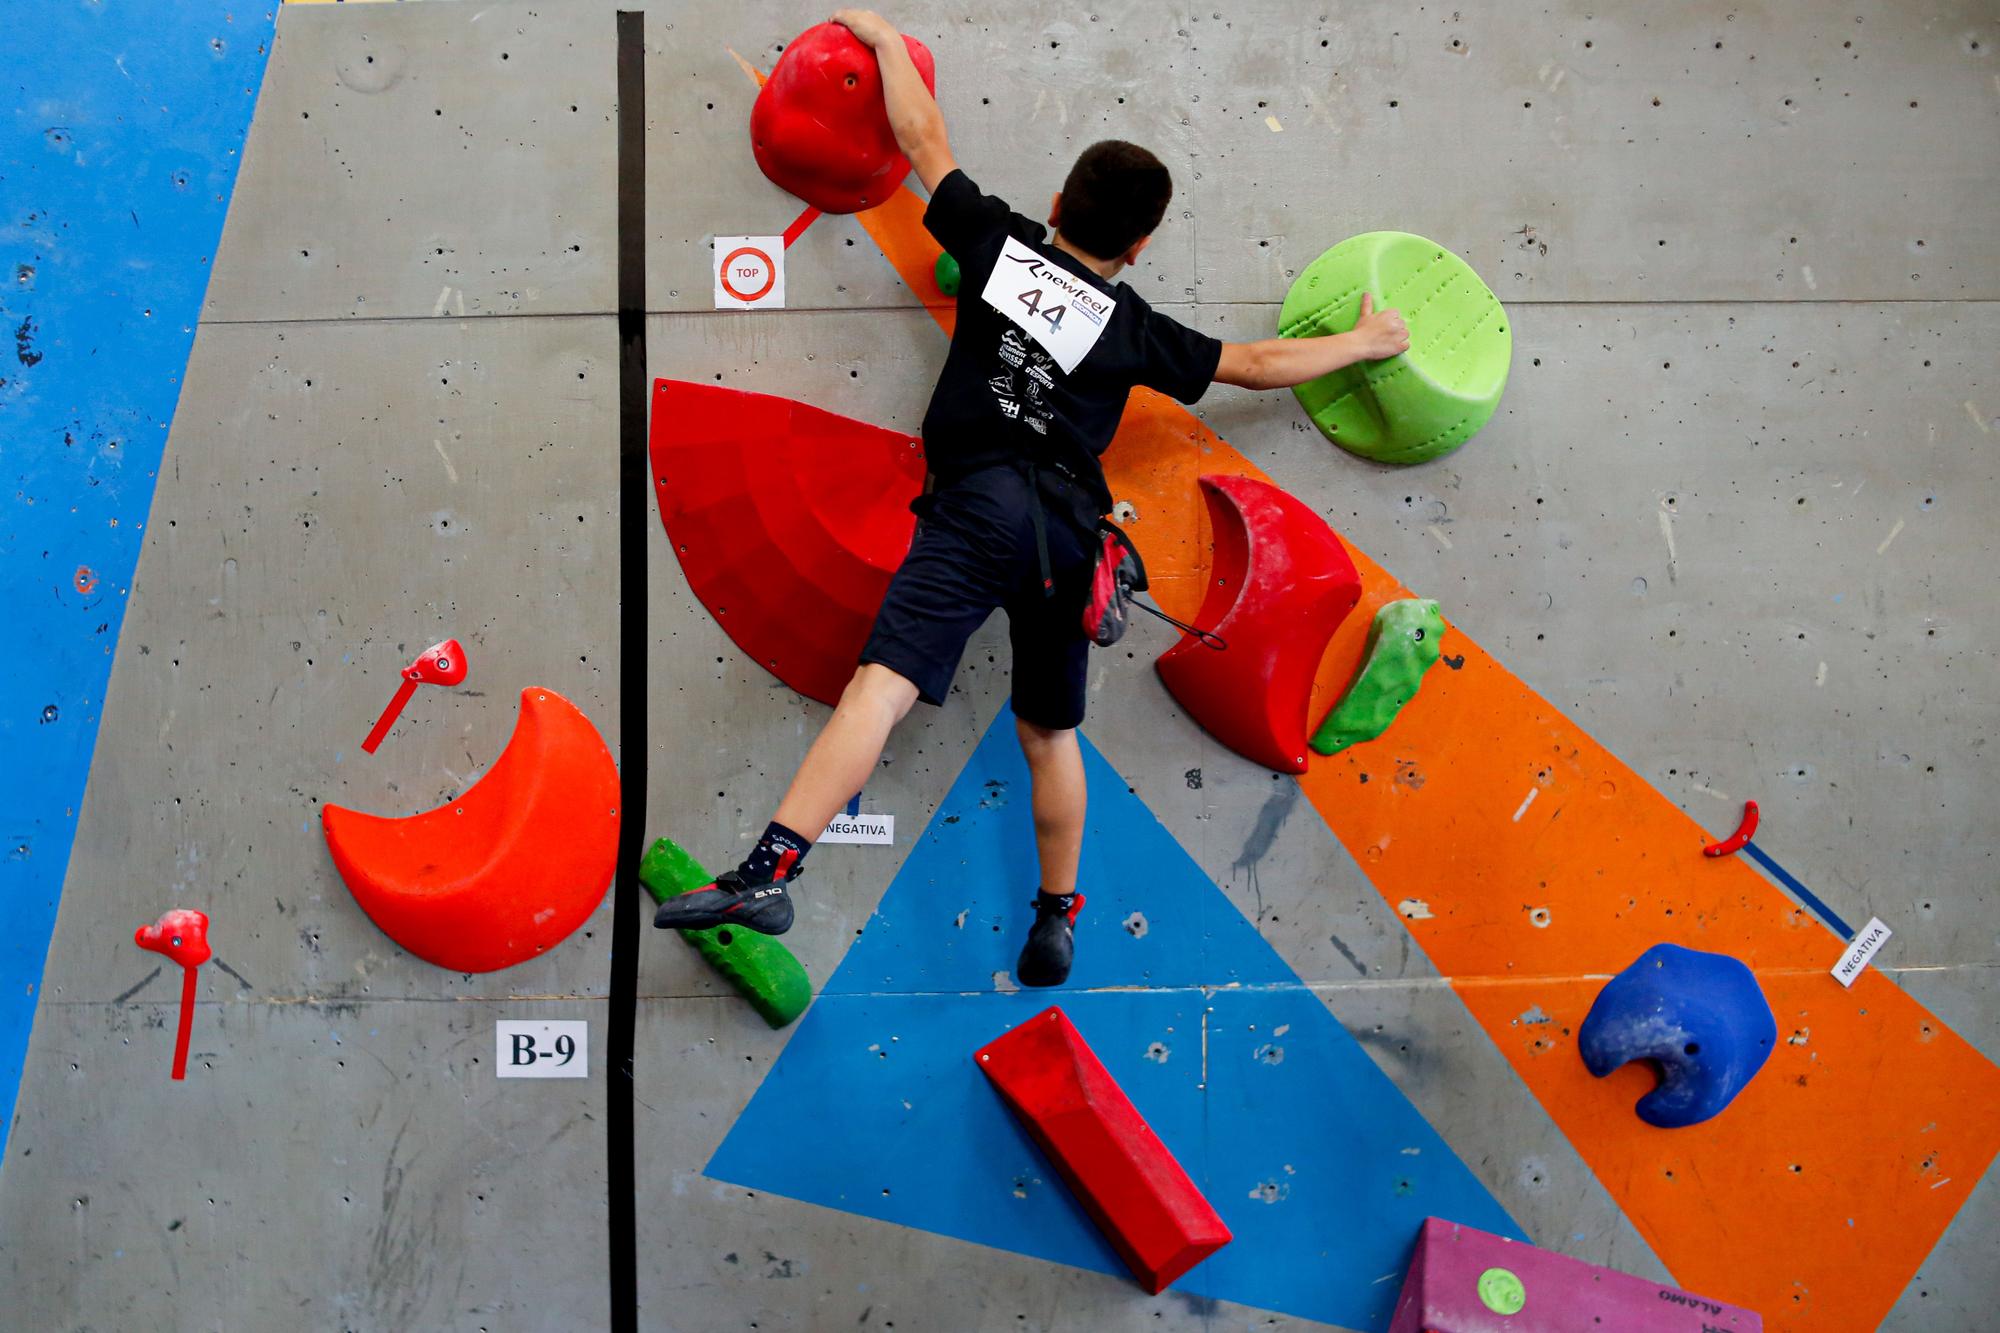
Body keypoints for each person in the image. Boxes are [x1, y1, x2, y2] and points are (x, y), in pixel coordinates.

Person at [654, 8, 1411, 987]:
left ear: (1058, 200)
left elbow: (923, 140)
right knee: (1049, 731)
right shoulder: (1132, 325)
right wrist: (1365, 343)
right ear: (1138, 246)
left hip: (977, 505)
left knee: (880, 688)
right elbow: (1258, 364)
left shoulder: (1001, 248)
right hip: (1068, 535)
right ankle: (1055, 916)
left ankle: (766, 873)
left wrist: (883, 43)